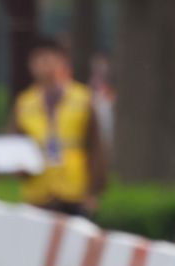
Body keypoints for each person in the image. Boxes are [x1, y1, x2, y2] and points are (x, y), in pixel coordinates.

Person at [7, 36, 106, 216]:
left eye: (49, 59)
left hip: (74, 190)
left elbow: (95, 147)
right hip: (38, 190)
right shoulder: (24, 103)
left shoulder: (82, 98)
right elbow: (15, 143)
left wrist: (93, 190)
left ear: (62, 62)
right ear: (31, 65)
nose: (45, 66)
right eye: (39, 61)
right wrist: (18, 168)